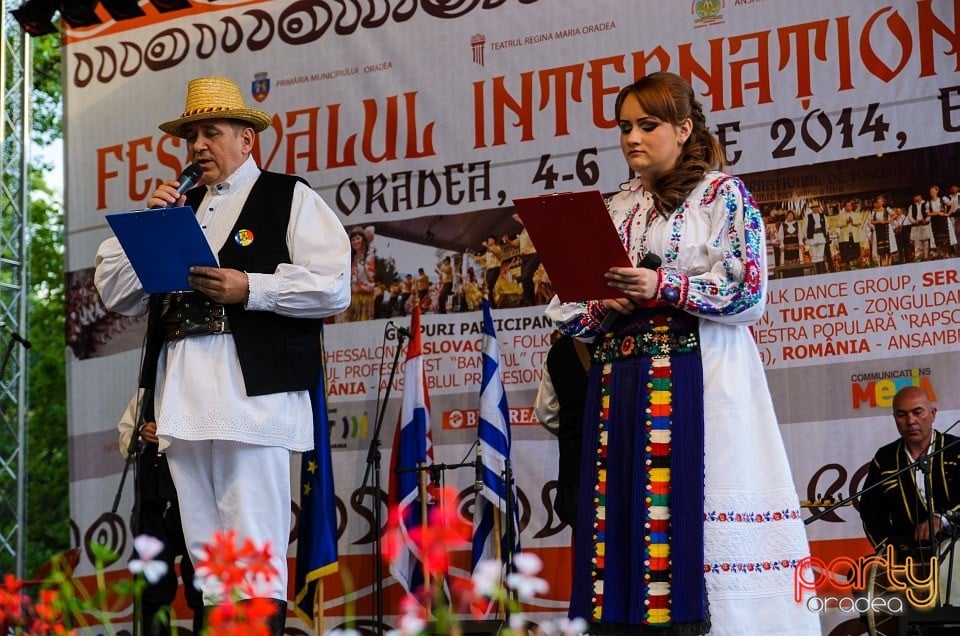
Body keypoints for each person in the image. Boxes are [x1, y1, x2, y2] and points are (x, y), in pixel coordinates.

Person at [545, 72, 819, 635]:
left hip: (700, 376)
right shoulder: (615, 207)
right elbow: (567, 309)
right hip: (621, 381)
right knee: (624, 516)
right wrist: (612, 303)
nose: (632, 138)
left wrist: (664, 286)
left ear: (684, 127)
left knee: (693, 506)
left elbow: (750, 292)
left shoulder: (722, 195)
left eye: (648, 125)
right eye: (624, 127)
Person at [95, 76, 351, 635]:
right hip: (183, 404)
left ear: (246, 140)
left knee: (252, 552)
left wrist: (250, 289)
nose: (198, 146)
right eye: (192, 136)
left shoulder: (289, 196)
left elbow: (334, 286)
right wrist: (150, 221)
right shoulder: (181, 208)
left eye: (212, 133)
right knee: (211, 565)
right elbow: (116, 292)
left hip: (250, 400)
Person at [858, 386, 960, 605]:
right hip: (907, 558)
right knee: (862, 575)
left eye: (918, 412)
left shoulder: (955, 449)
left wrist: (942, 519)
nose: (910, 421)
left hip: (956, 552)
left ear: (932, 414)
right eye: (901, 415)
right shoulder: (885, 459)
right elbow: (870, 510)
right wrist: (889, 549)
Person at [118, 389, 203, 636]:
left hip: (194, 498)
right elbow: (126, 436)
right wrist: (141, 431)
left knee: (202, 586)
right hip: (153, 500)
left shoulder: (201, 380)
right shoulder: (148, 389)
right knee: (152, 591)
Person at [804, 200, 831, 274]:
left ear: (819, 208)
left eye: (816, 207)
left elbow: (826, 227)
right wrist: (806, 239)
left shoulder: (823, 216)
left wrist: (825, 236)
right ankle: (815, 272)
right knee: (814, 256)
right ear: (811, 208)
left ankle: (822, 271)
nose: (815, 208)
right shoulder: (807, 217)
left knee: (821, 255)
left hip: (821, 237)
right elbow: (804, 229)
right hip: (812, 238)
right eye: (813, 207)